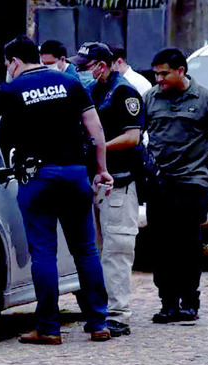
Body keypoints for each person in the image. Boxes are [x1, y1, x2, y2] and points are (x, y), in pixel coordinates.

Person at [0, 35, 113, 344]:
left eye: (7, 64)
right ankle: (98, 323)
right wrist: (102, 169)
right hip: (75, 174)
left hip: (39, 178)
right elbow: (96, 129)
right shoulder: (69, 83)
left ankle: (49, 328)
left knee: (43, 252)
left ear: (13, 62)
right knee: (86, 249)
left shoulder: (11, 90)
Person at [143, 48, 208, 323]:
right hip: (159, 182)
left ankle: (189, 300)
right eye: (156, 73)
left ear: (181, 70)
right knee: (160, 245)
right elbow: (136, 135)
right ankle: (168, 302)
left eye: (164, 73)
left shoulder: (205, 99)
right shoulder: (149, 98)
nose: (159, 79)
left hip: (192, 181)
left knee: (187, 243)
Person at [69, 42, 144, 337]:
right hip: (97, 182)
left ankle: (119, 313)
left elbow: (133, 137)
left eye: (86, 66)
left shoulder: (124, 92)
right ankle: (100, 309)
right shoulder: (94, 91)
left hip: (120, 182)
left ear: (102, 65)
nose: (81, 71)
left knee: (117, 249)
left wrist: (99, 147)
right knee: (98, 250)